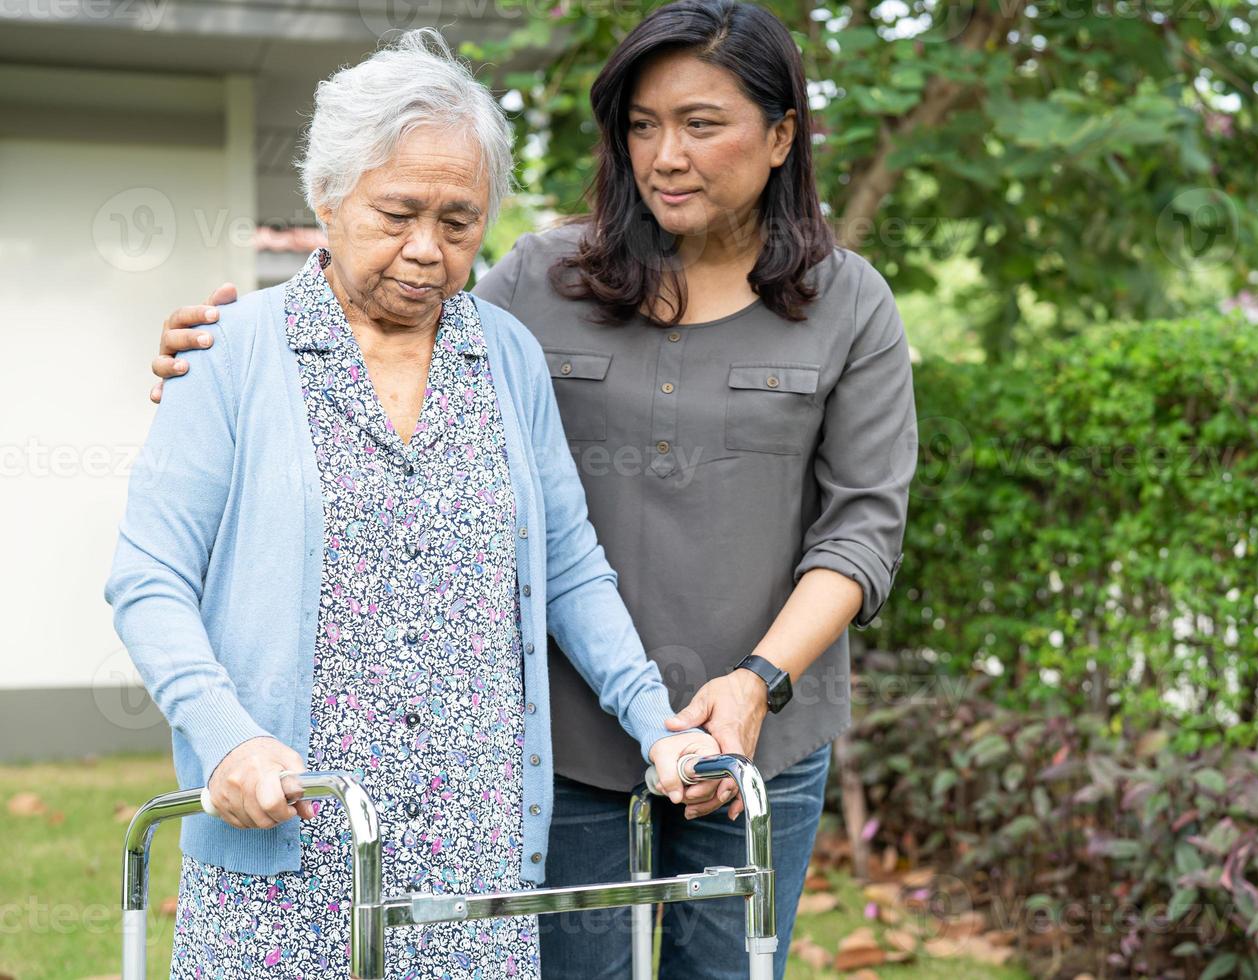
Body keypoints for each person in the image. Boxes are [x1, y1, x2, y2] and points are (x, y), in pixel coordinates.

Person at [148, 2, 917, 977]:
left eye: (701, 123)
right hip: (570, 745)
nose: (666, 155)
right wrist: (214, 355)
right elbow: (392, 321)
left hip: (753, 738)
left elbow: (861, 530)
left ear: (780, 135)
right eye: (642, 125)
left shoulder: (850, 304)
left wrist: (757, 681)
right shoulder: (543, 279)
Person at [107, 28, 725, 978]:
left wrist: (657, 724)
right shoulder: (231, 352)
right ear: (326, 195)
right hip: (288, 835)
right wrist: (227, 741)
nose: (428, 250)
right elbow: (148, 581)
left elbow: (566, 565)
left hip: (472, 853)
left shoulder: (506, 356)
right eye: (397, 212)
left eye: (460, 220)